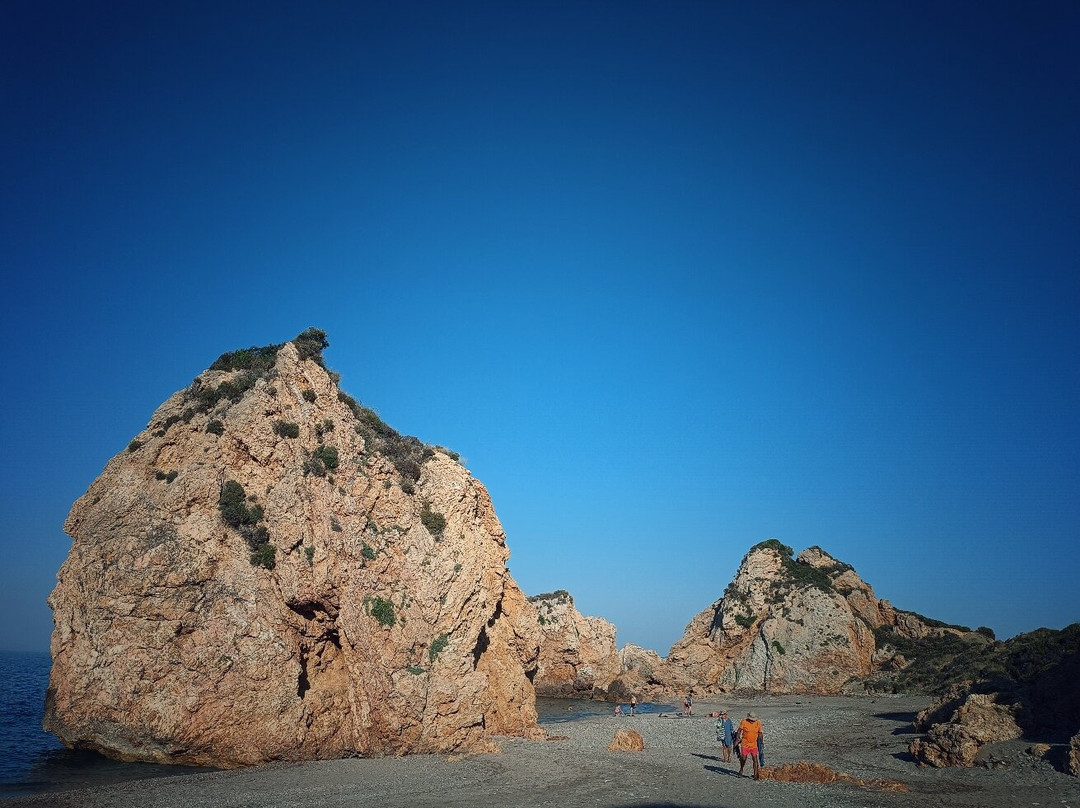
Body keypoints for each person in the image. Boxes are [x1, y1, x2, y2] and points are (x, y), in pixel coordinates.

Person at [737, 711, 764, 780]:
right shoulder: (744, 721)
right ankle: (741, 769)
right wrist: (738, 737)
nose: (752, 721)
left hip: (753, 744)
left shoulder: (758, 723)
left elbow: (760, 733)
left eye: (753, 720)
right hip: (745, 744)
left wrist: (762, 742)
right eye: (751, 719)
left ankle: (755, 775)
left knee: (755, 759)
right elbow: (739, 730)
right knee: (743, 758)